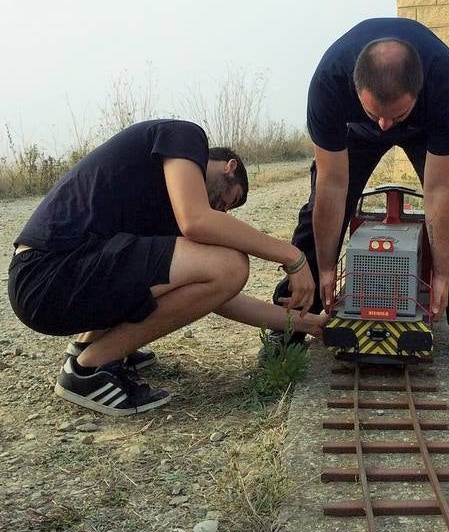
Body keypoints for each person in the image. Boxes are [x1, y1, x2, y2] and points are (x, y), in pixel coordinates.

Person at [7, 119, 323, 416]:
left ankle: (88, 347)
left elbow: (220, 296)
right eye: (231, 200)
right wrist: (292, 255)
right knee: (231, 263)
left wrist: (307, 324)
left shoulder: (169, 210)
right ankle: (89, 370)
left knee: (224, 269)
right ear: (230, 167)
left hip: (54, 284)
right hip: (46, 273)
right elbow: (199, 224)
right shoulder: (184, 136)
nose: (223, 210)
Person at [271, 17, 449, 364]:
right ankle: (295, 317)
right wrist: (329, 267)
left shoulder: (446, 84)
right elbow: (333, 185)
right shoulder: (329, 83)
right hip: (353, 132)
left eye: (396, 115)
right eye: (374, 113)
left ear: (418, 91)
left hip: (426, 130)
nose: (385, 126)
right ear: (356, 88)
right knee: (318, 202)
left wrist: (442, 274)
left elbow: (439, 191)